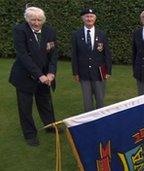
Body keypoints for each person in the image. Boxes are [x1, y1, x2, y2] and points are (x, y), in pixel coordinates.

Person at [9, 6, 59, 146]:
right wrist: (39, 75)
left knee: (45, 102)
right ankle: (30, 134)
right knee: (25, 107)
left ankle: (50, 126)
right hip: (25, 76)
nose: (36, 23)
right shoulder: (20, 30)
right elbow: (23, 55)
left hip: (44, 75)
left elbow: (53, 54)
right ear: (27, 19)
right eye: (33, 20)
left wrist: (51, 72)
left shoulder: (49, 31)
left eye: (39, 20)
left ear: (43, 20)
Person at [71, 8, 112, 112]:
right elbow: (74, 55)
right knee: (87, 100)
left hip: (99, 72)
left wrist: (108, 70)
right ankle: (89, 122)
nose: (89, 18)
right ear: (82, 18)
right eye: (87, 16)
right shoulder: (76, 34)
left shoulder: (101, 34)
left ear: (95, 18)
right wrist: (75, 72)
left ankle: (101, 119)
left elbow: (107, 53)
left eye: (91, 16)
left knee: (100, 99)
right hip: (83, 72)